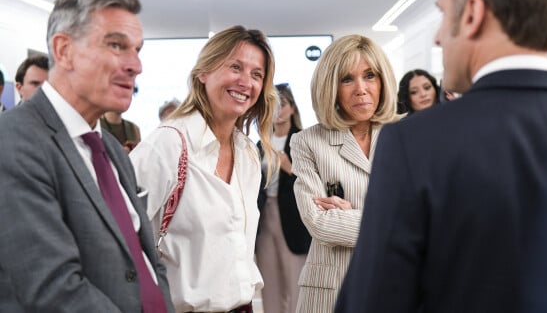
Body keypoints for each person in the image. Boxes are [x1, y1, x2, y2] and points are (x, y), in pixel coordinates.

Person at [336, 0, 547, 313]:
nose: (436, 38)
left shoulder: (413, 144)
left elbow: (373, 302)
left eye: (444, 13)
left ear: (472, 14)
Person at [0, 0, 173, 312]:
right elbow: (52, 288)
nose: (135, 65)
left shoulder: (110, 148)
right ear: (63, 50)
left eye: (137, 49)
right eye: (116, 45)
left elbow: (146, 261)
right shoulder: (13, 140)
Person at [130, 25, 278, 313]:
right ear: (204, 72)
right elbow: (117, 235)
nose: (246, 82)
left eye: (256, 74)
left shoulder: (247, 154)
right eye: (236, 67)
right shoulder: (169, 143)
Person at [290, 34, 400, 313]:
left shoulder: (406, 137)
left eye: (369, 75)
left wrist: (348, 214)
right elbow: (318, 223)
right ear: (331, 87)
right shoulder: (307, 142)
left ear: (382, 80)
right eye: (347, 79)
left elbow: (423, 217)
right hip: (329, 291)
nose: (361, 89)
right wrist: (392, 221)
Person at [256, 82, 311, 313]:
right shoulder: (260, 144)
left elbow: (314, 182)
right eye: (273, 105)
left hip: (294, 218)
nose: (278, 111)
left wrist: (291, 169)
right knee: (269, 282)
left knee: (295, 280)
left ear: (293, 108)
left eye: (283, 104)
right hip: (264, 217)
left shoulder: (303, 140)